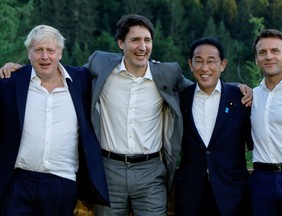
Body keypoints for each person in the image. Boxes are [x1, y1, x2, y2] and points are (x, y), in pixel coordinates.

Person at [0, 14, 252, 216]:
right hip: (108, 170)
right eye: (135, 40)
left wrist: (235, 88)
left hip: (151, 172)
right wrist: (21, 70)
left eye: (147, 40)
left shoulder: (167, 73)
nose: (142, 47)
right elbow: (60, 71)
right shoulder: (100, 65)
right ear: (121, 43)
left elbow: (202, 84)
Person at [0, 25, 109, 216]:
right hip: (18, 182)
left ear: (60, 53)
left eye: (50, 50)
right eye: (38, 50)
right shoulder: (11, 81)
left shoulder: (81, 81)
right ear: (29, 53)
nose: (44, 57)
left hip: (62, 184)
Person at [174, 37, 253, 216]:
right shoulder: (181, 99)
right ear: (190, 64)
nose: (204, 68)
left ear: (222, 65)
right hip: (191, 194)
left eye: (211, 61)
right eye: (198, 61)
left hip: (231, 194)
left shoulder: (241, 99)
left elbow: (253, 142)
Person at [250, 29, 282, 215]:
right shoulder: (252, 95)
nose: (269, 57)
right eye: (262, 52)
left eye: (275, 51)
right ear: (257, 59)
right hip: (261, 180)